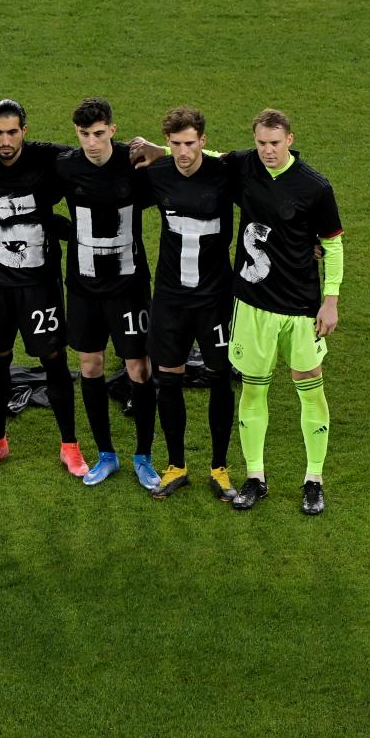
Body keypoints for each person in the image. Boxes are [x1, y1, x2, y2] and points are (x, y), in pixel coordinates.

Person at [0, 99, 88, 477]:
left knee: (54, 361)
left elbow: (94, 159)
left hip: (39, 285)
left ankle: (70, 446)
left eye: (13, 132)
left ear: (24, 131)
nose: (6, 141)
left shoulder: (48, 159)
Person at [224, 109, 343, 515]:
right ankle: (255, 477)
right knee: (254, 390)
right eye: (261, 143)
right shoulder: (244, 166)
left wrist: (330, 299)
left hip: (301, 308)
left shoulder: (314, 187)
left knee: (309, 387)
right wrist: (160, 149)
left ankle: (314, 479)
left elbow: (332, 244)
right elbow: (200, 155)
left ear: (290, 139)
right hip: (253, 305)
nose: (267, 150)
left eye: (274, 143)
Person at [54, 97, 159, 490]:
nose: (92, 143)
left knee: (139, 369)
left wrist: (161, 150)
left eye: (99, 134)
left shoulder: (135, 166)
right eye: (84, 135)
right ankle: (106, 455)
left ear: (113, 131)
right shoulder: (65, 165)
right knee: (90, 366)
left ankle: (144, 457)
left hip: (129, 288)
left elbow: (186, 174)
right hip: (82, 288)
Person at [135, 106, 238, 501]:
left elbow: (269, 190)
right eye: (175, 144)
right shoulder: (157, 176)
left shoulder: (225, 174)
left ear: (204, 142)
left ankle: (220, 467)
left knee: (218, 377)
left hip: (214, 299)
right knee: (169, 378)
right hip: (171, 299)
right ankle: (176, 465)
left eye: (189, 143)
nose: (182, 152)